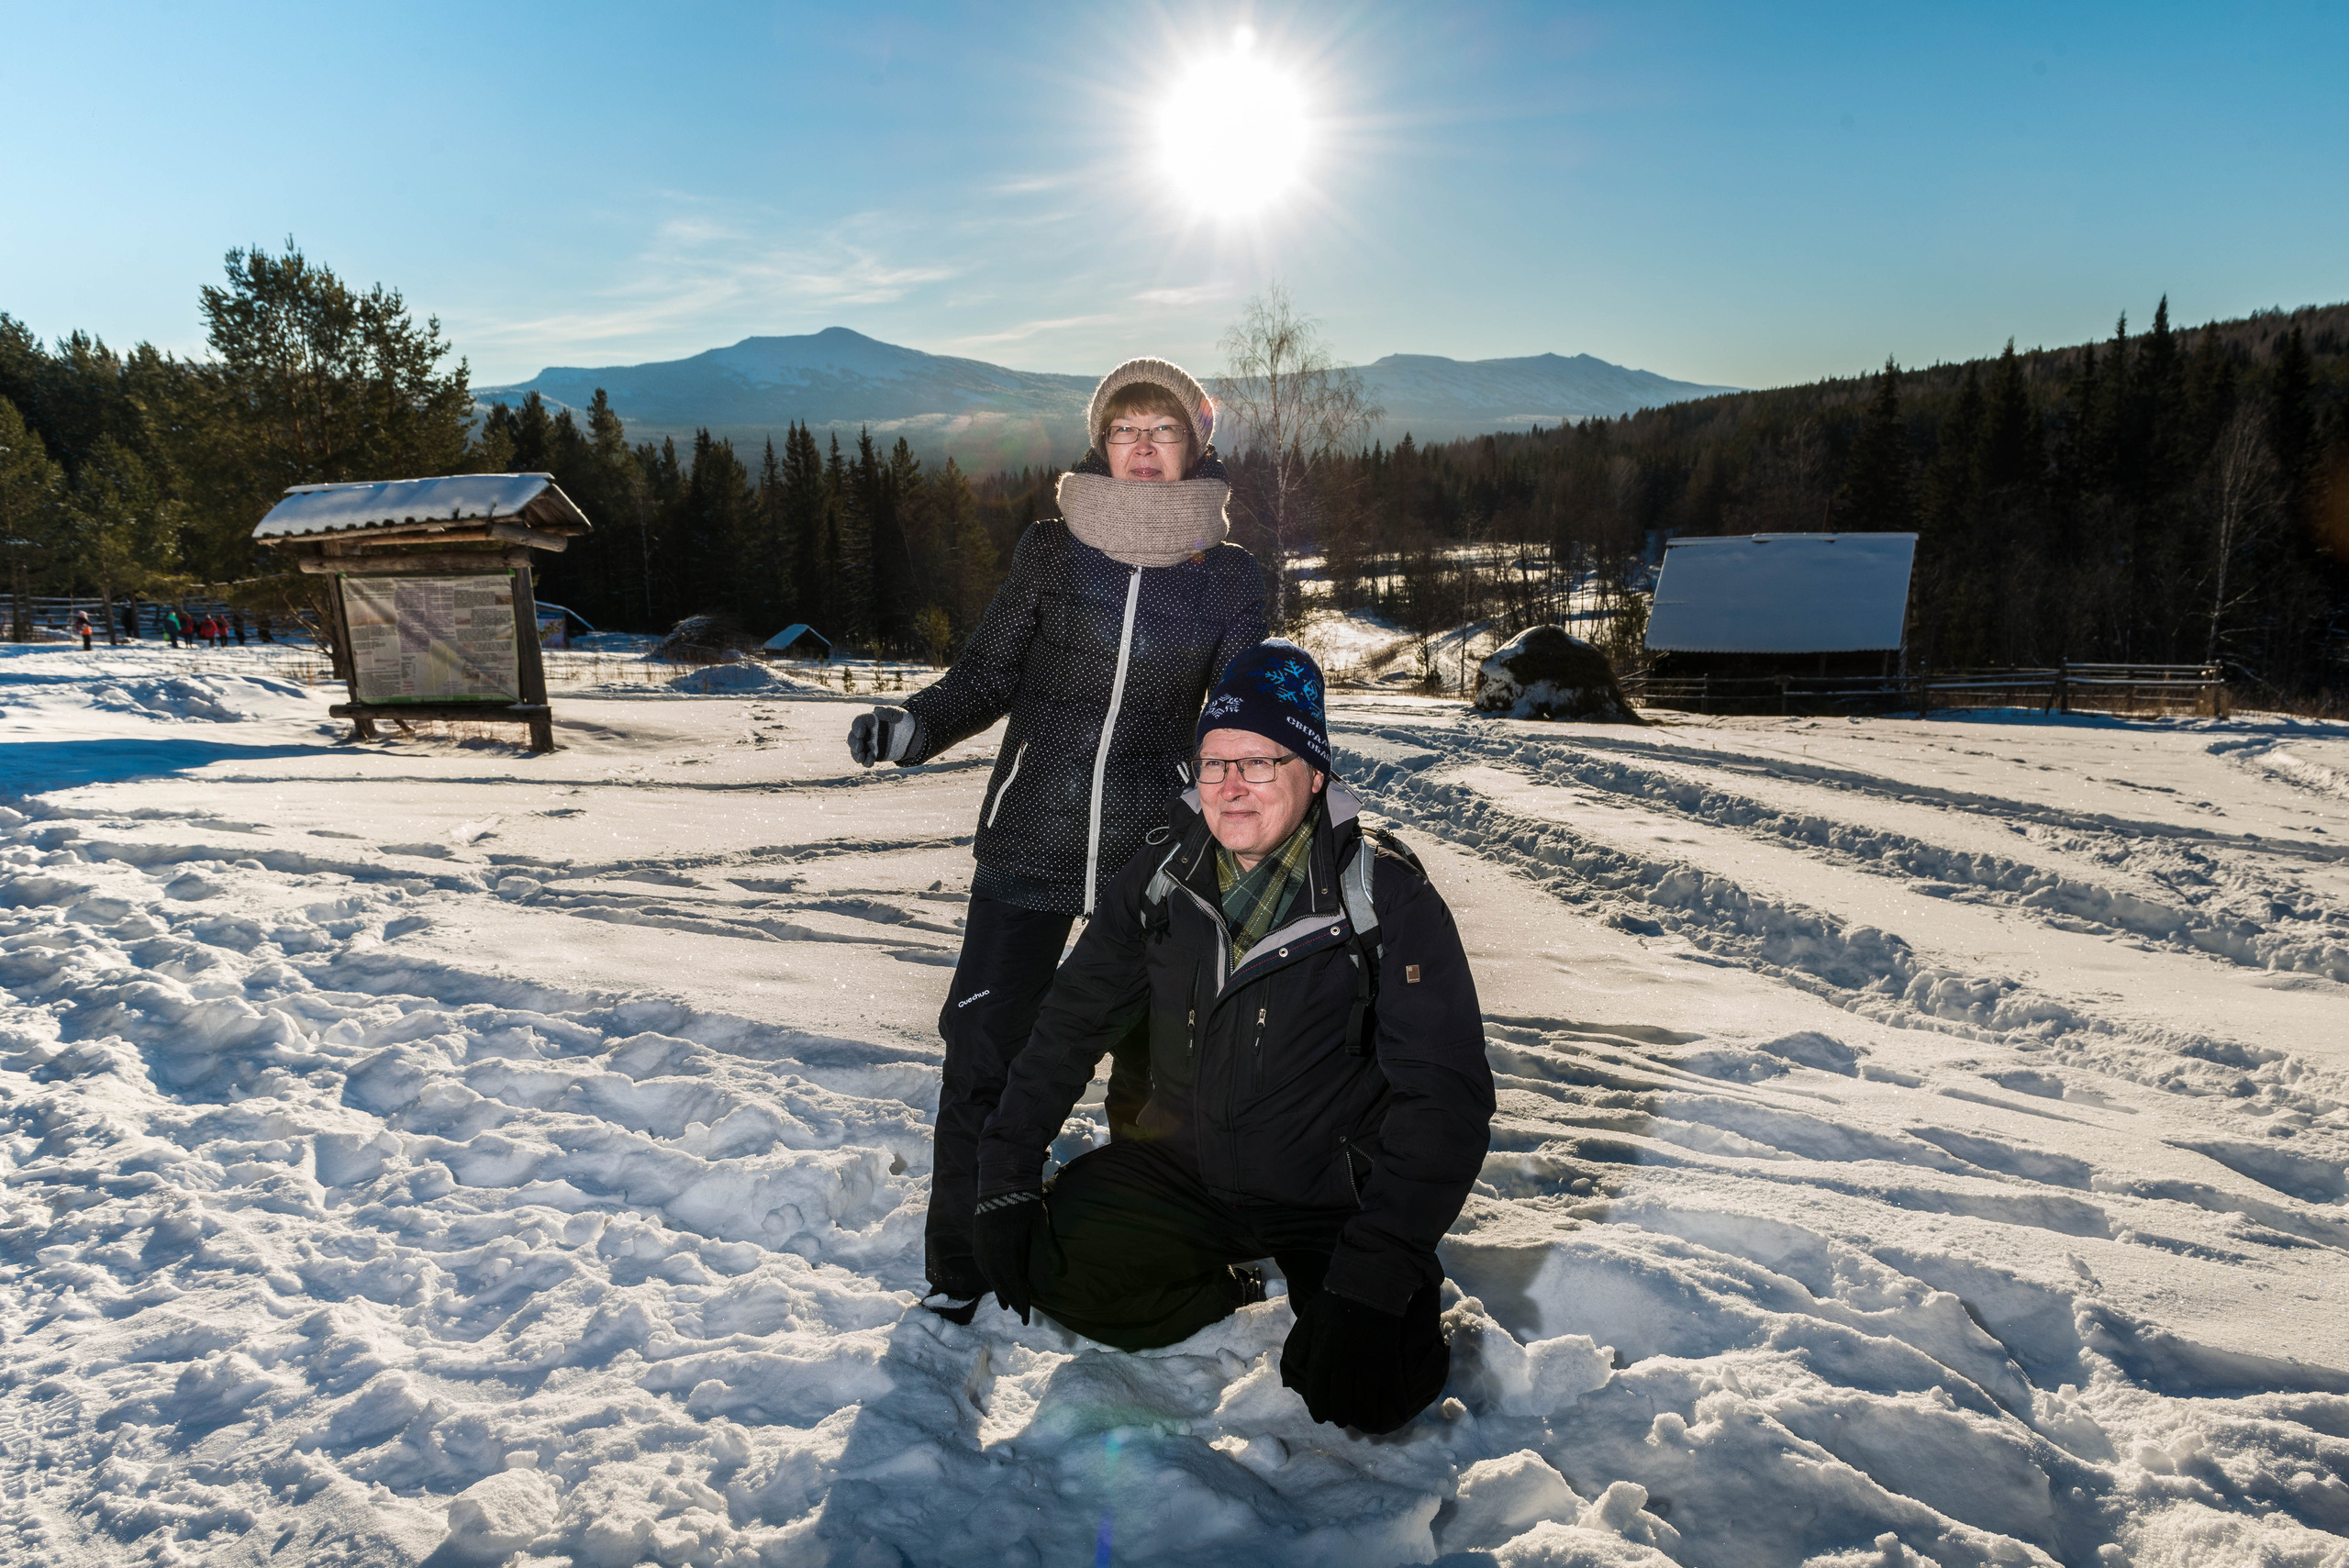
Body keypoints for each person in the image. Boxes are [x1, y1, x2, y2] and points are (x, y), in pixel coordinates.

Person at [969, 641, 1495, 1435]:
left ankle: (1358, 1303)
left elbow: (1445, 1100)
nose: (1230, 786)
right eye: (1213, 764)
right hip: (1191, 1172)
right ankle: (1227, 1289)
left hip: (1329, 1197)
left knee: (1364, 1393)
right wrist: (1005, 1173)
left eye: (1259, 760)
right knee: (1048, 1261)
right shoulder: (1161, 873)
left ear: (1314, 771)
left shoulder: (1383, 894)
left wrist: (1373, 1273)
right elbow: (1070, 1022)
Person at [846, 357, 1266, 1320]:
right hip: (1026, 841)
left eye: (1165, 429)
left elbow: (1237, 705)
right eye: (1128, 429)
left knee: (1155, 1074)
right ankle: (961, 1268)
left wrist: (1233, 791)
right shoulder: (1050, 548)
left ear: (1194, 446)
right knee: (984, 1056)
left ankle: (1146, 1257)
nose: (1146, 446)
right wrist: (913, 724)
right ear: (1102, 443)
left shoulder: (1228, 575)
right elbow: (985, 674)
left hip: (1151, 855)